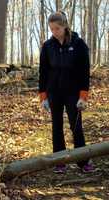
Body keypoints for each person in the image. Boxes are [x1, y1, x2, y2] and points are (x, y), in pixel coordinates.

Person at [39, 11, 94, 173]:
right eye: (51, 29)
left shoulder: (79, 44)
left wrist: (83, 96)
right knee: (57, 126)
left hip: (73, 93)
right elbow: (43, 72)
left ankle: (83, 161)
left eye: (57, 28)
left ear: (64, 26)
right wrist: (43, 96)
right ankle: (59, 161)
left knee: (76, 126)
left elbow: (84, 72)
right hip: (54, 92)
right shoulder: (48, 46)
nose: (54, 32)